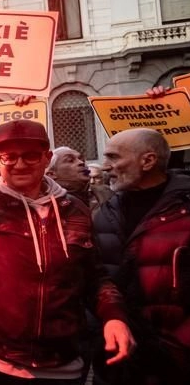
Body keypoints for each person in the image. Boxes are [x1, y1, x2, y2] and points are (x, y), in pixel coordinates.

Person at [0, 72, 134, 385]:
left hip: (63, 364)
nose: (19, 164)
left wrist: (114, 316)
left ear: (46, 158)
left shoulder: (74, 209)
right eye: (9, 156)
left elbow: (94, 276)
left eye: (30, 155)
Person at [92, 128, 190, 385]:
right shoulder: (105, 214)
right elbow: (99, 276)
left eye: (113, 157)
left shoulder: (186, 208)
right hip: (121, 358)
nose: (105, 167)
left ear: (148, 161)